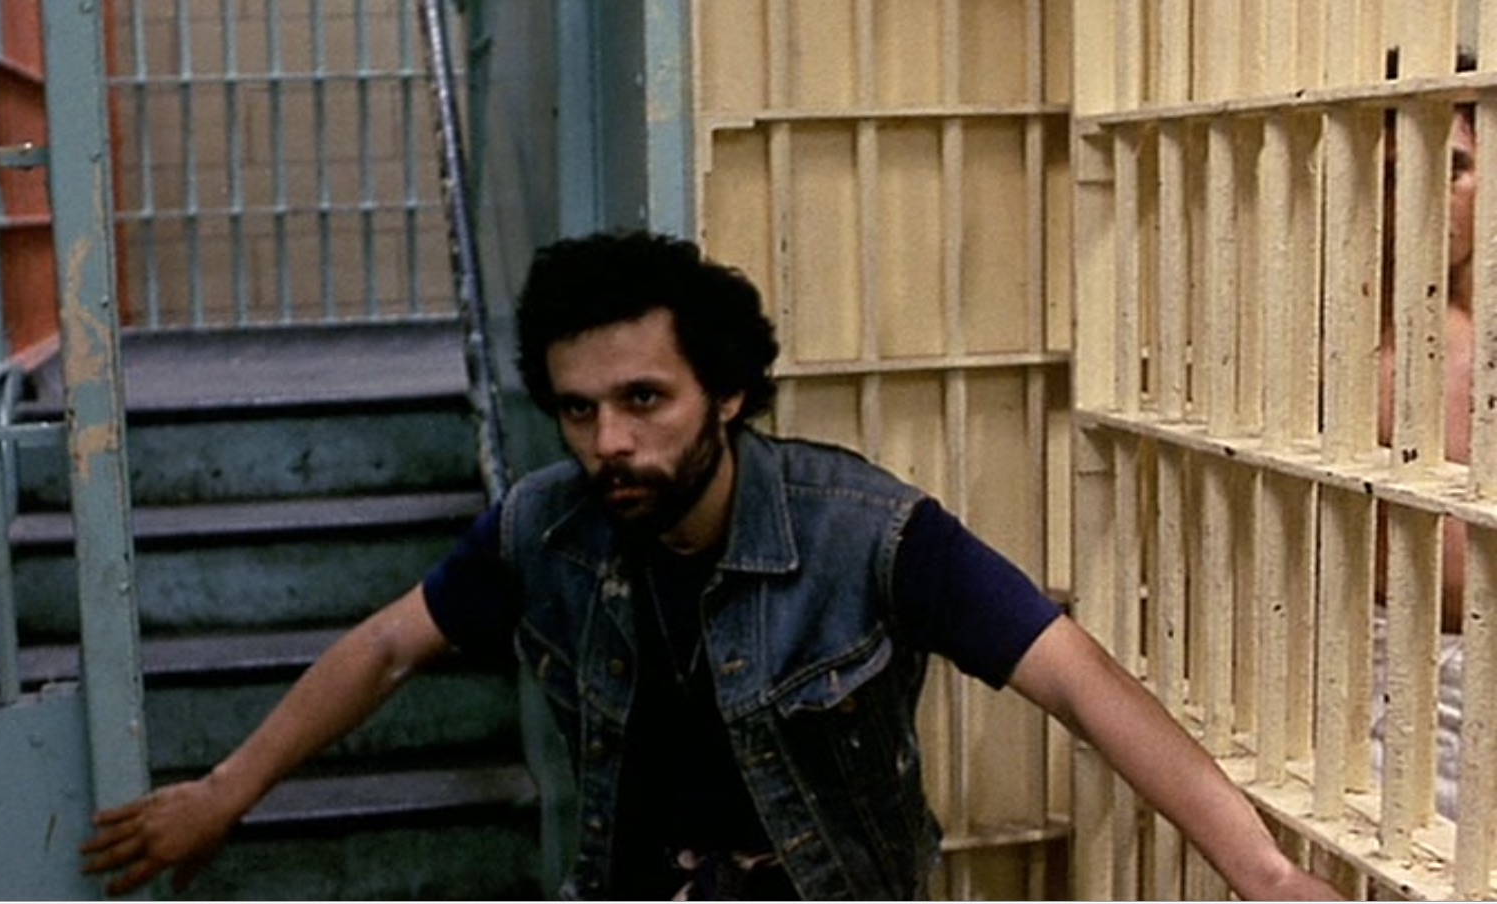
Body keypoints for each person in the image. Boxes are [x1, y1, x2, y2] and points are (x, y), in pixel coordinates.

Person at [81, 232, 1342, 900]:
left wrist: (1265, 871)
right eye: (578, 410)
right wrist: (226, 791)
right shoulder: (548, 528)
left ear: (729, 392)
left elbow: (1076, 678)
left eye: (643, 399)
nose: (609, 442)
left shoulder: (866, 532)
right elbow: (387, 644)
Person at [1378, 46, 1477, 633]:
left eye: (1451, 168)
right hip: (1390, 658)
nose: (1423, 200)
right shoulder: (1340, 347)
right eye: (1394, 175)